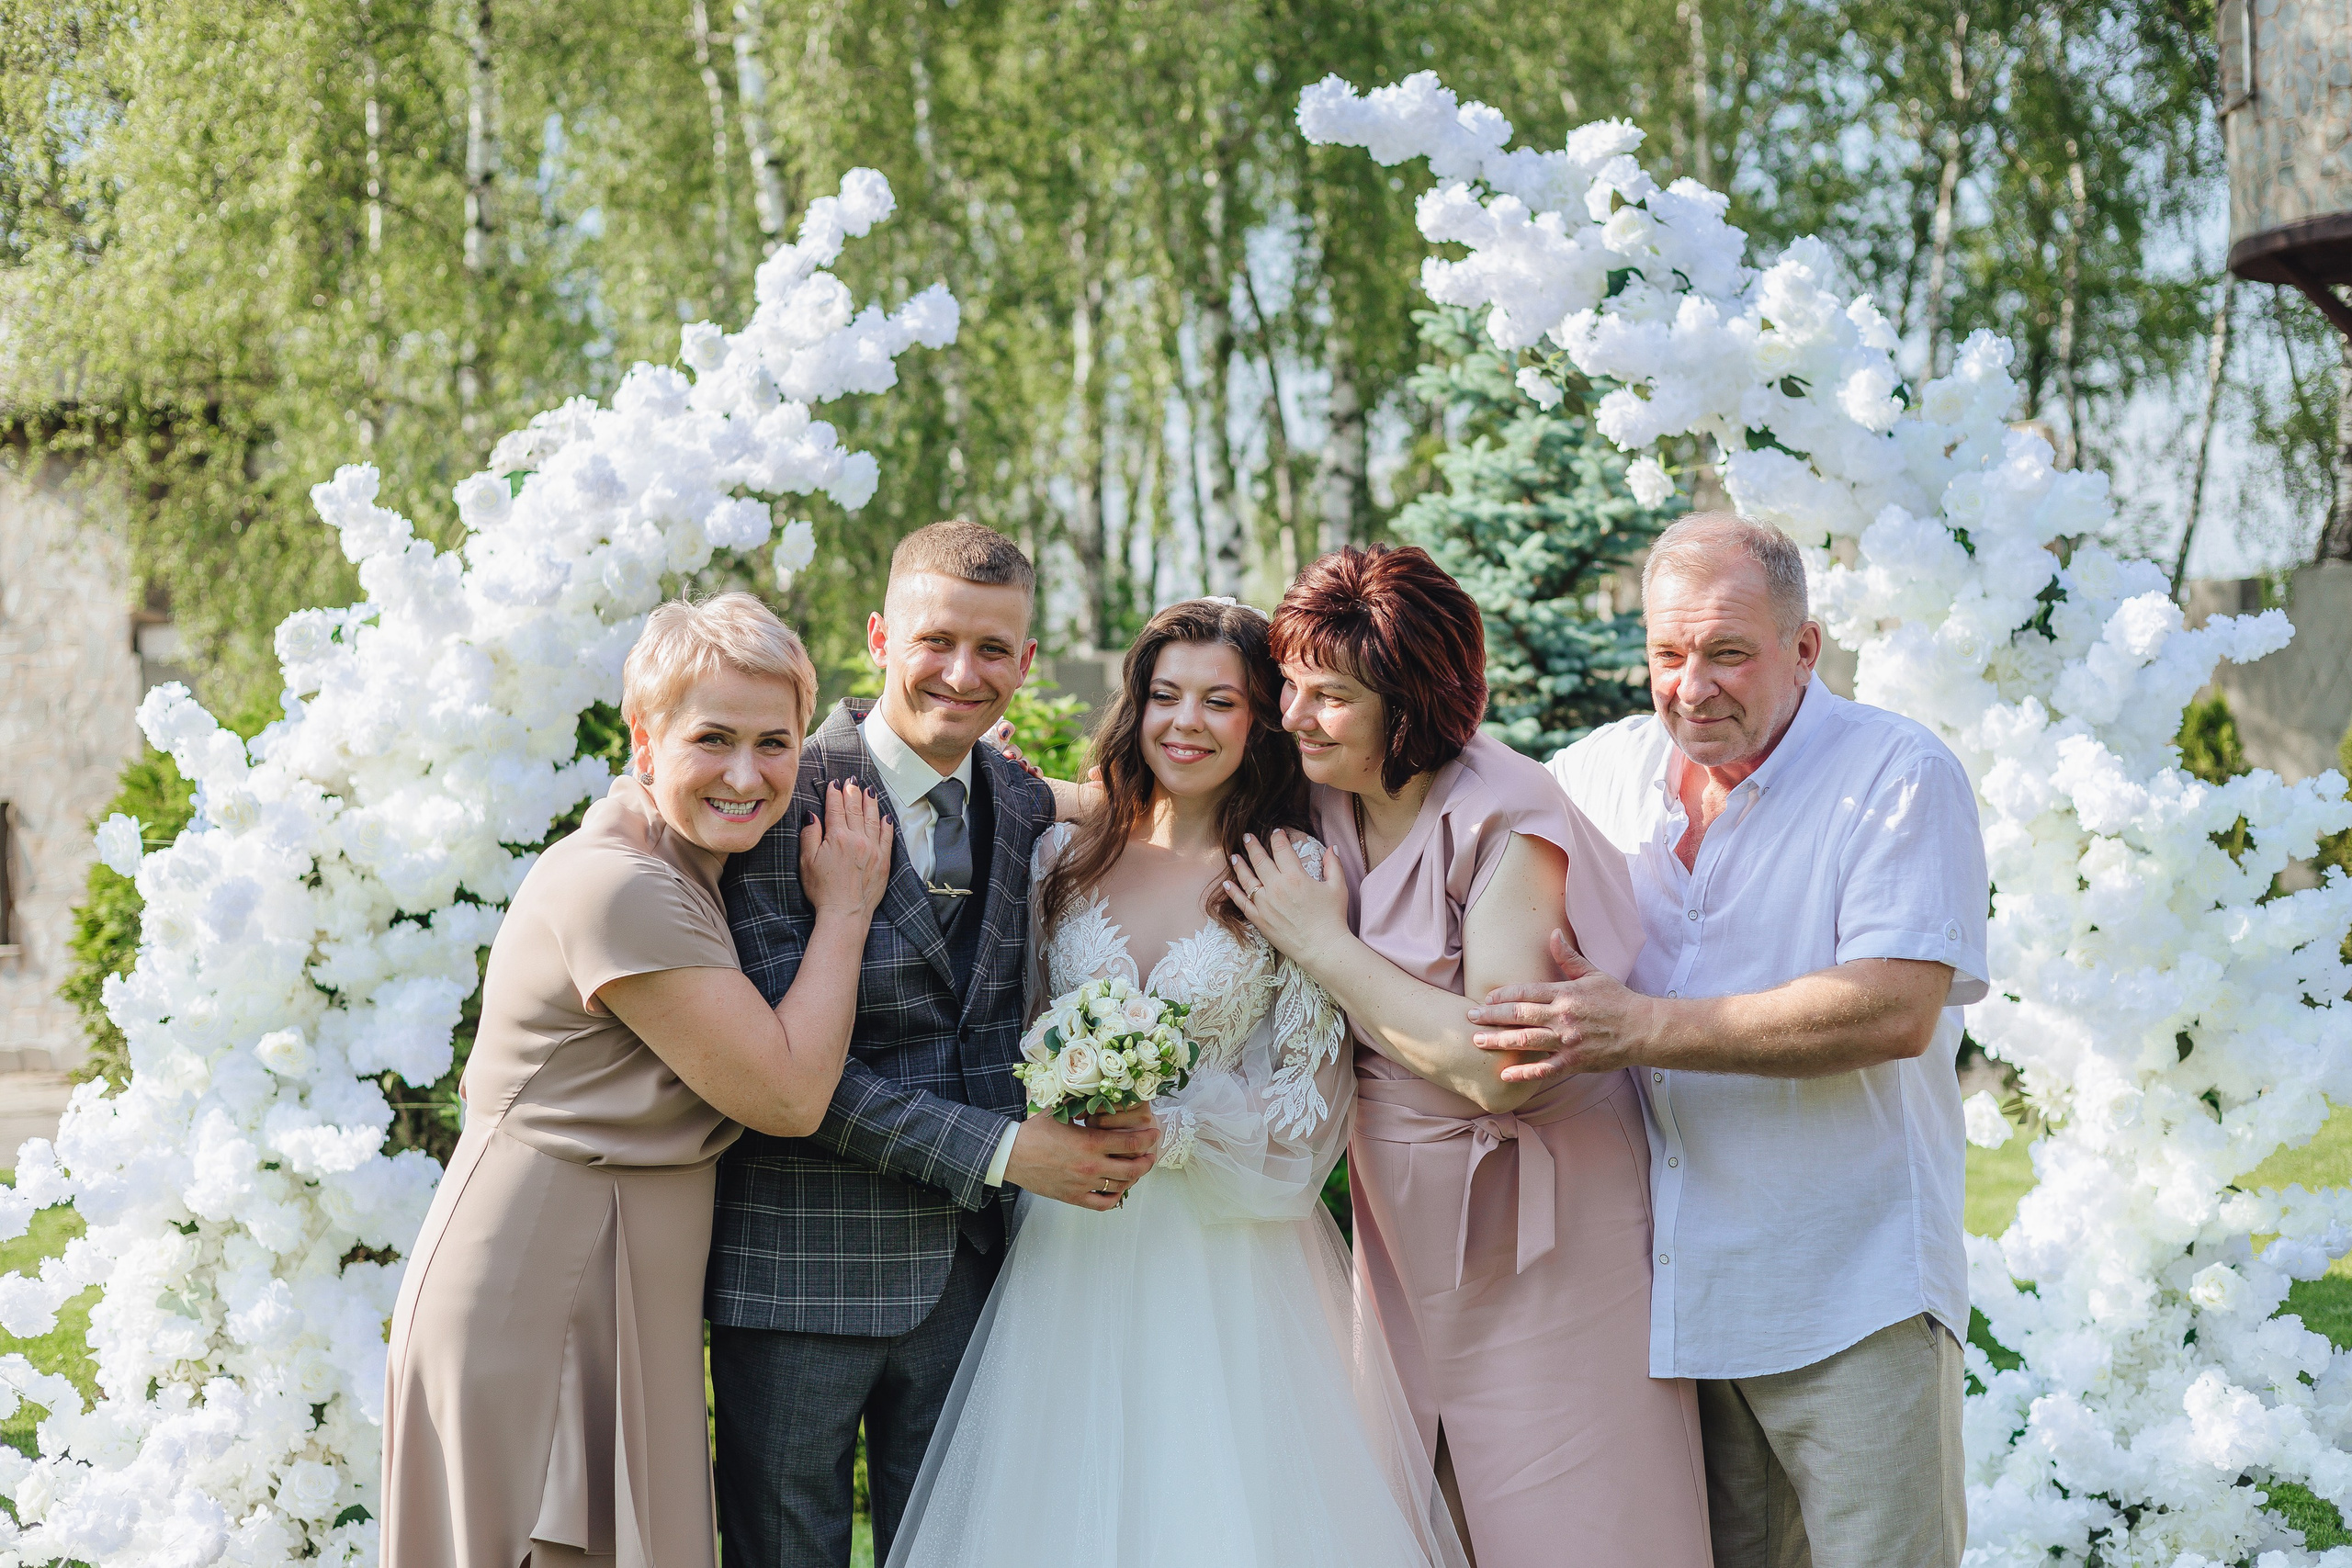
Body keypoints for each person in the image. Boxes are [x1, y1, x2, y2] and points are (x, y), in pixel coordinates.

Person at [887, 598, 1466, 1568]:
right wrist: (1067, 1094)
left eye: (1219, 701)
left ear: (1259, 719)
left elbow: (1308, 1109)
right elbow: (1011, 1035)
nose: (1185, 724)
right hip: (1073, 1241)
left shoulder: (1290, 870)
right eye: (1163, 696)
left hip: (1226, 1263)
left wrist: (1177, 1129)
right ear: (1136, 705)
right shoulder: (1062, 858)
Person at [1468, 512, 1989, 1568]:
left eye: (1727, 653)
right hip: (1663, 1305)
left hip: (1854, 1292)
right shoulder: (1595, 775)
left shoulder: (1896, 774)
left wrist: (1640, 1028)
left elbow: (1894, 1006)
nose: (1690, 686)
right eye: (1666, 653)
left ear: (1805, 648)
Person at [1224, 544, 1713, 1568]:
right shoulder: (1317, 783)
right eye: (1292, 686)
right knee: (1410, 1504)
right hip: (1401, 1217)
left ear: (1410, 707)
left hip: (1548, 1223)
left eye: (1333, 696)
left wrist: (1321, 943)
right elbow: (1159, 807)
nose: (1296, 716)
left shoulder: (1506, 815)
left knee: (1577, 1507)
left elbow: (1498, 1064)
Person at [382, 592, 895, 1568]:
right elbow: (787, 1097)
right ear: (644, 734)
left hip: (623, 1295)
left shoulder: (679, 853)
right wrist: (845, 913)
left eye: (774, 743)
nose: (746, 775)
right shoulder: (619, 885)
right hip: (537, 1293)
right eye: (712, 739)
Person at [710, 521, 1163, 1568]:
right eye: (936, 640)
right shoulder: (774, 795)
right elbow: (789, 1071)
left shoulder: (1015, 798)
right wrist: (1010, 1154)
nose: (964, 673)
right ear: (878, 636)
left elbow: (1143, 819)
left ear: (1027, 663)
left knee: (962, 1549)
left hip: (970, 1274)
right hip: (801, 1271)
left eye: (994, 650)